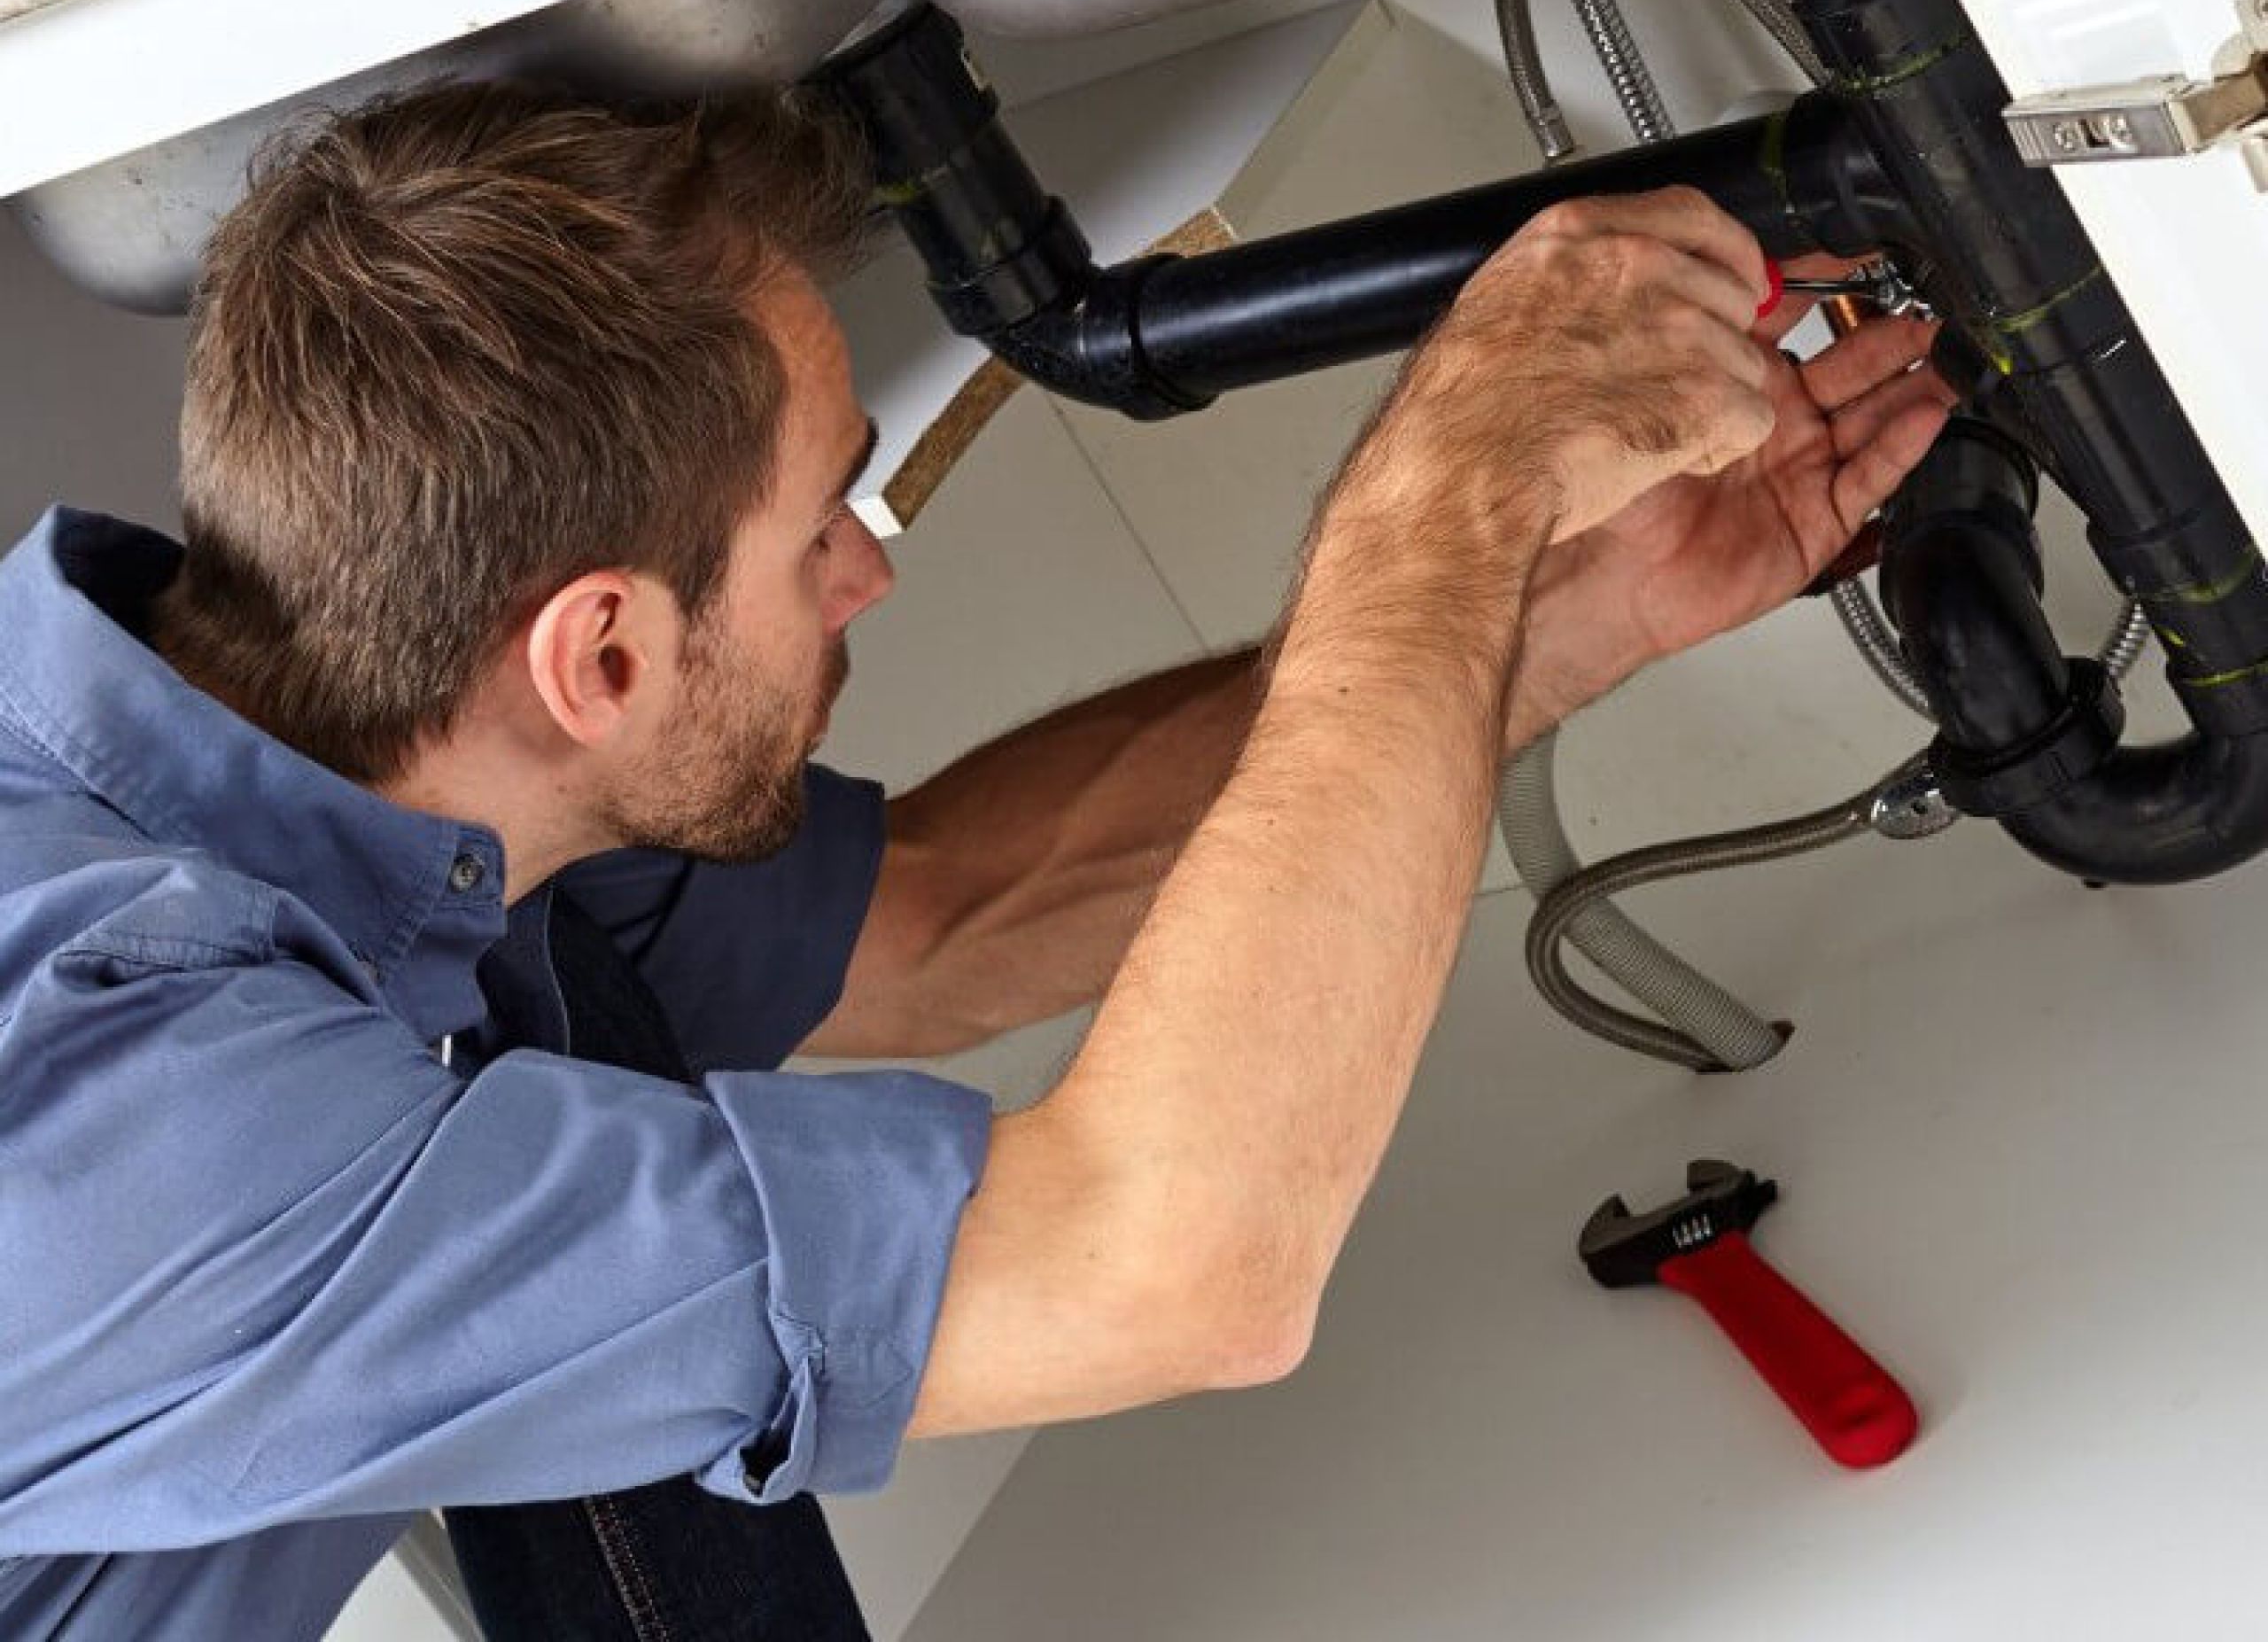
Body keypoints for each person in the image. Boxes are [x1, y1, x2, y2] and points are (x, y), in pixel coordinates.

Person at [0, 82, 1951, 1639]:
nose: (870, 564)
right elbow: (1167, 1260)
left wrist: (1555, 614)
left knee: (553, 1026)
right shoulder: (147, 1139)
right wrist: (1444, 486)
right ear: (596, 652)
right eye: (815, 527)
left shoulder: (371, 780)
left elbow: (938, 918)